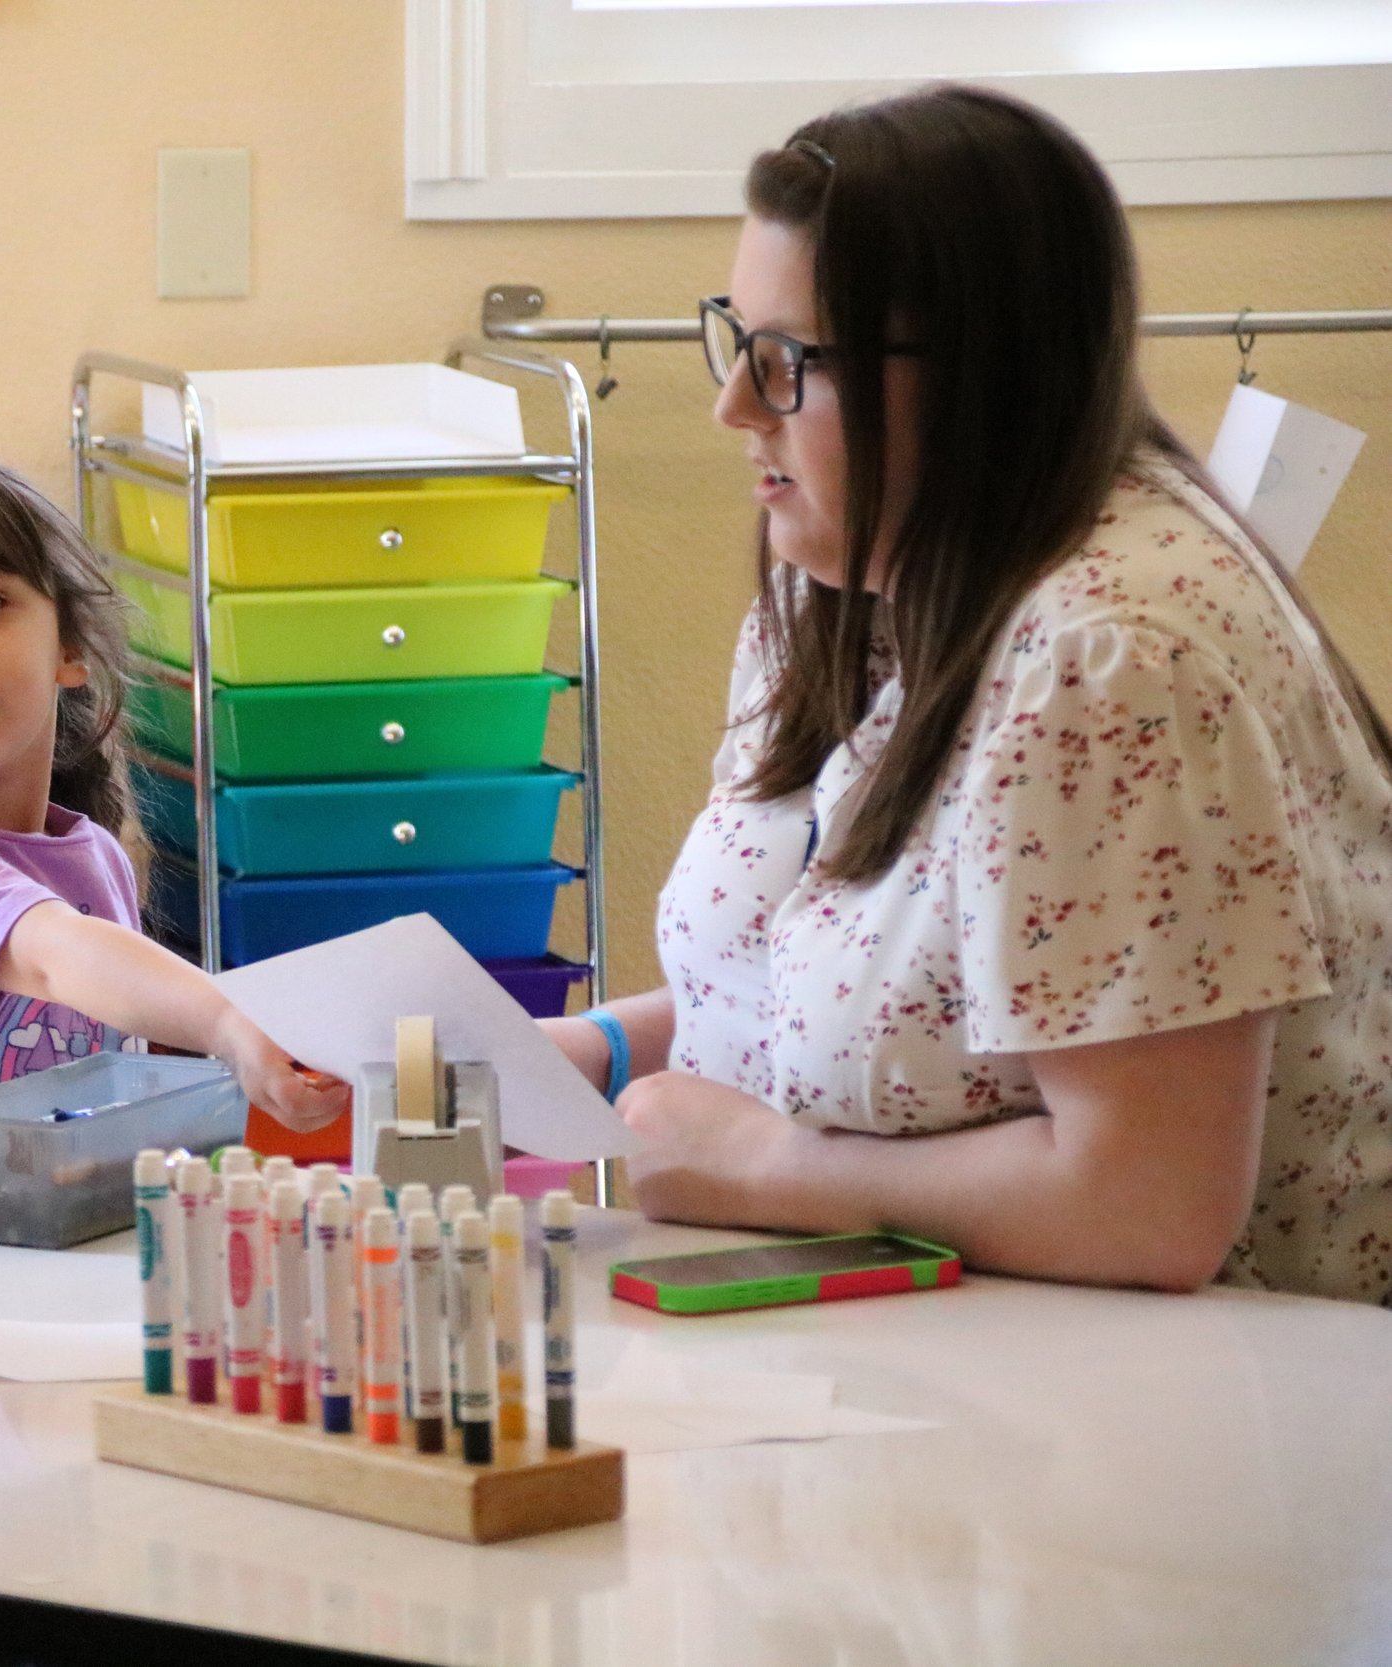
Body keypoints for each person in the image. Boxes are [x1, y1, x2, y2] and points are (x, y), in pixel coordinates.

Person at [542, 84, 1392, 1305]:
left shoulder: (1110, 664)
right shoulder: (846, 575)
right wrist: (595, 1051)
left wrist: (769, 1167)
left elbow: (1145, 1202)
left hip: (1198, 1403)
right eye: (738, 337)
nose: (733, 403)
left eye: (787, 363)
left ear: (972, 378)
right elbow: (899, 1001)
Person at [0, 447, 347, 1293]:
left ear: (69, 649)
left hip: (33, 1284)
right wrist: (229, 1026)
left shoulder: (91, 855)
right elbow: (54, 953)